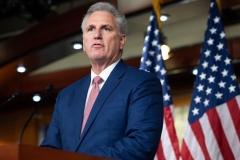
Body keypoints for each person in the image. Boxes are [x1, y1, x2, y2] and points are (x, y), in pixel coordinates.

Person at [40, 2, 163, 160]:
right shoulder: (66, 96)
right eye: (90, 29)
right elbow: (50, 148)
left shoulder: (142, 83)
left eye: (106, 28)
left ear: (121, 41)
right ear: (84, 42)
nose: (96, 34)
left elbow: (139, 146)